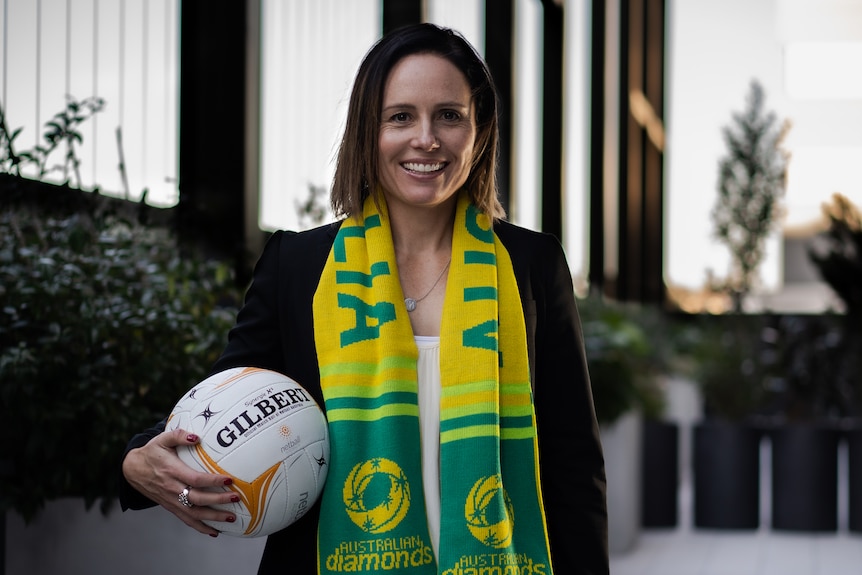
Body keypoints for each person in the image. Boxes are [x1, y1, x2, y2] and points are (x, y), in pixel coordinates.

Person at [121, 22, 608, 574]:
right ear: (366, 131)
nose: (426, 138)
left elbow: (573, 466)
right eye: (400, 116)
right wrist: (137, 461)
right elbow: (230, 399)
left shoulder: (532, 264)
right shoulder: (299, 266)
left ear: (480, 131)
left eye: (449, 115)